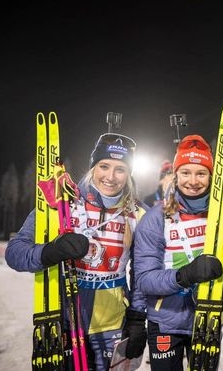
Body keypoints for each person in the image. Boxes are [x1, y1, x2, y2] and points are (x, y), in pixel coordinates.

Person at [6, 132, 149, 370]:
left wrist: (136, 318)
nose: (110, 177)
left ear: (129, 174)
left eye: (120, 169)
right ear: (93, 166)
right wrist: (50, 251)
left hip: (111, 325)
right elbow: (15, 252)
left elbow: (142, 273)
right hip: (64, 321)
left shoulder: (138, 214)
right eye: (104, 166)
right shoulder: (61, 204)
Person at [133, 134, 223, 371]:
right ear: (175, 174)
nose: (193, 181)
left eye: (201, 173)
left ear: (211, 176)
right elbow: (144, 279)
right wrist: (184, 276)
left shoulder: (222, 216)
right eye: (185, 172)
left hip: (207, 318)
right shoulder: (155, 218)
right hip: (165, 322)